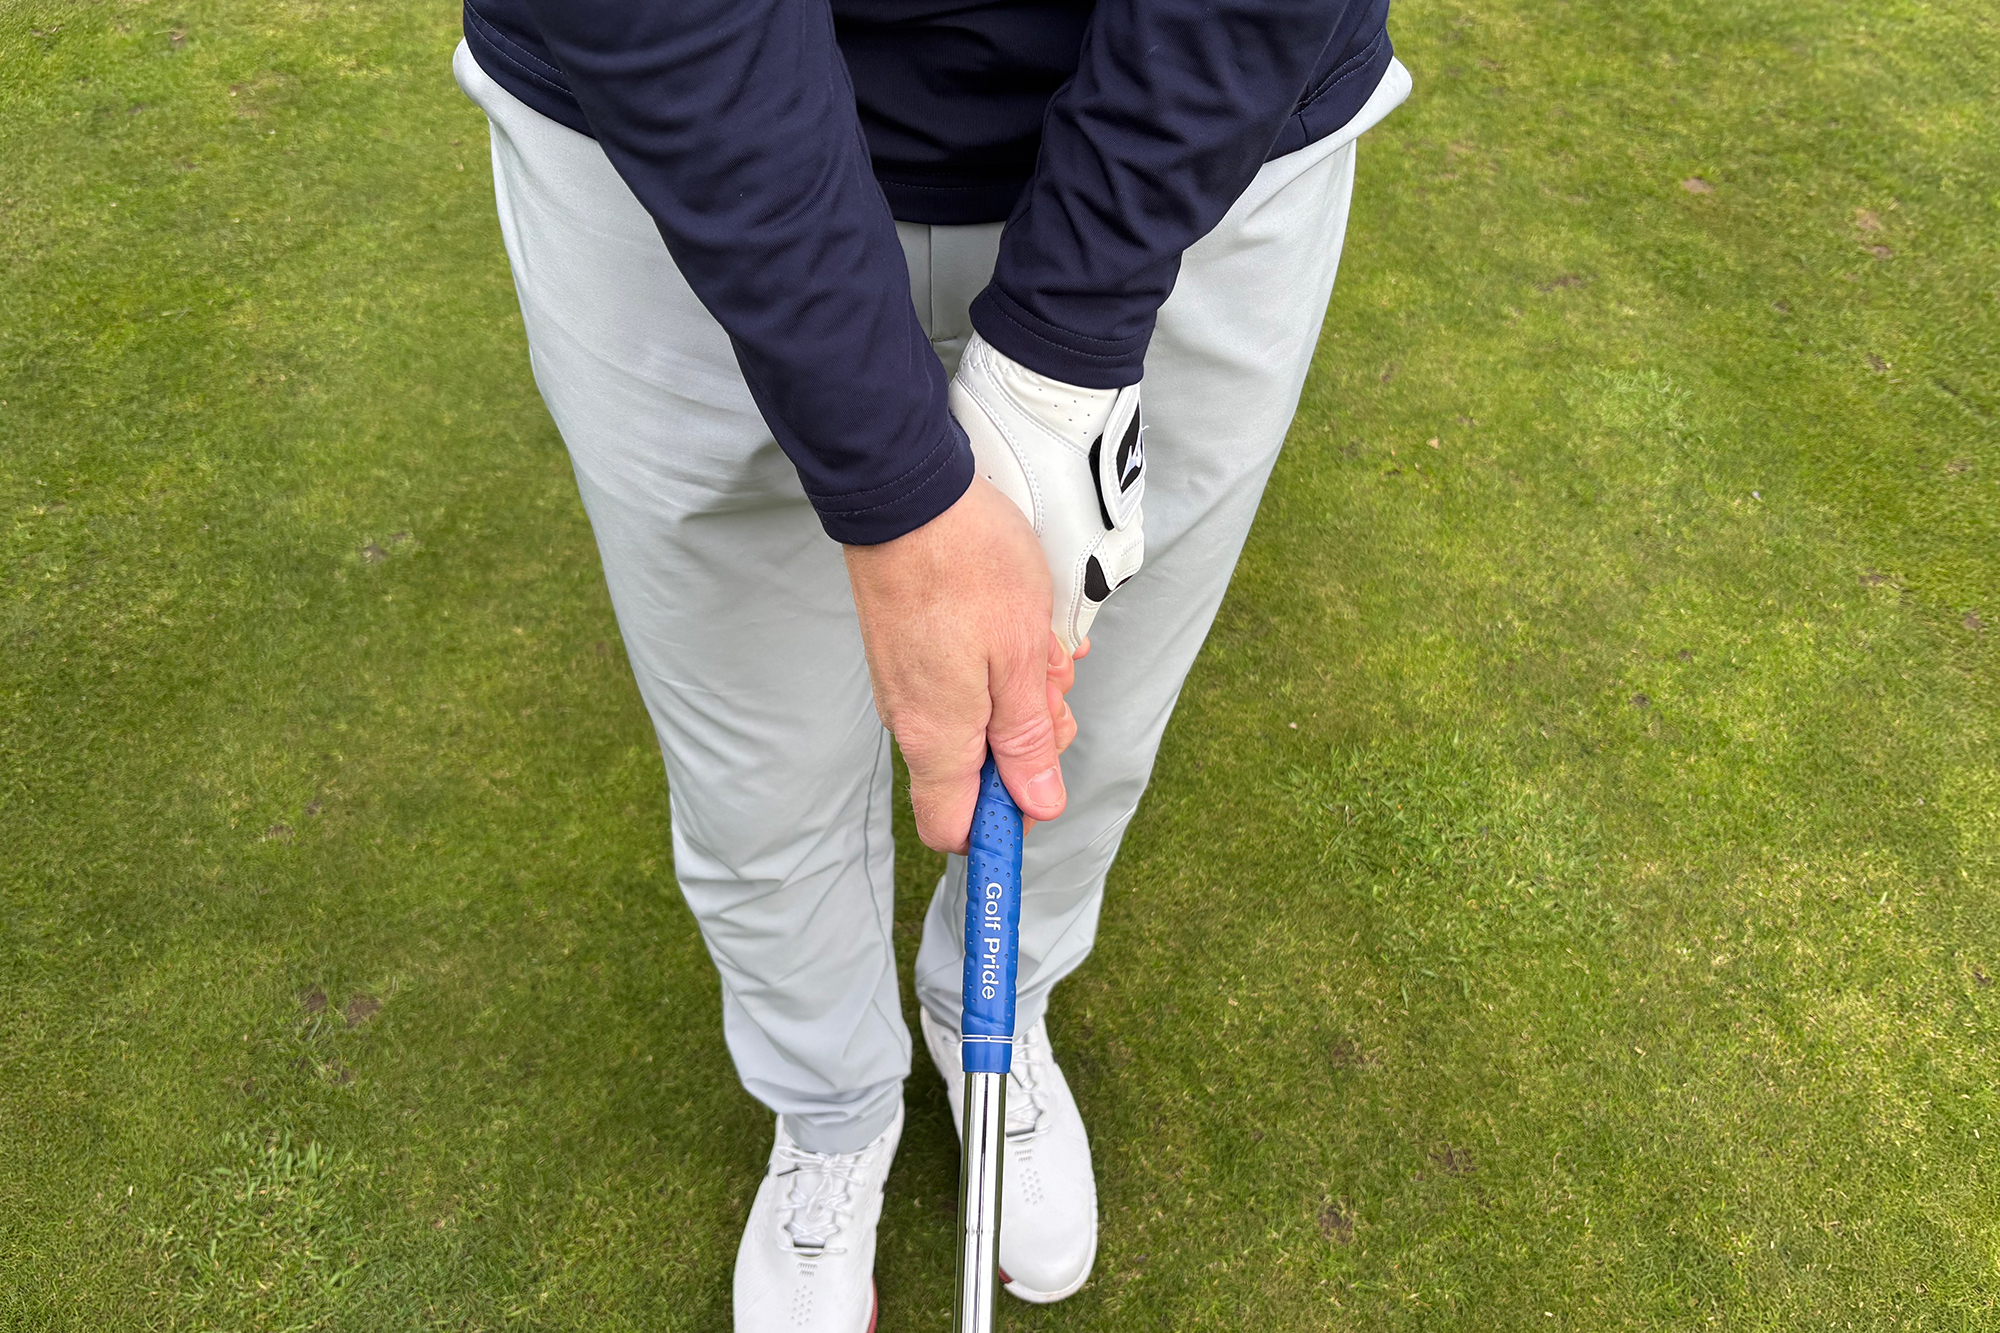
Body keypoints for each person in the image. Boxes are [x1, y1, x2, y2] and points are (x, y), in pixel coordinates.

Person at [452, 0, 1407, 1326]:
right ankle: (829, 1104)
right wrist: (896, 486)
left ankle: (994, 1018)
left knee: (1079, 725)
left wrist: (1061, 363)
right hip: (666, 150)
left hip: (1211, 136)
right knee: (757, 770)